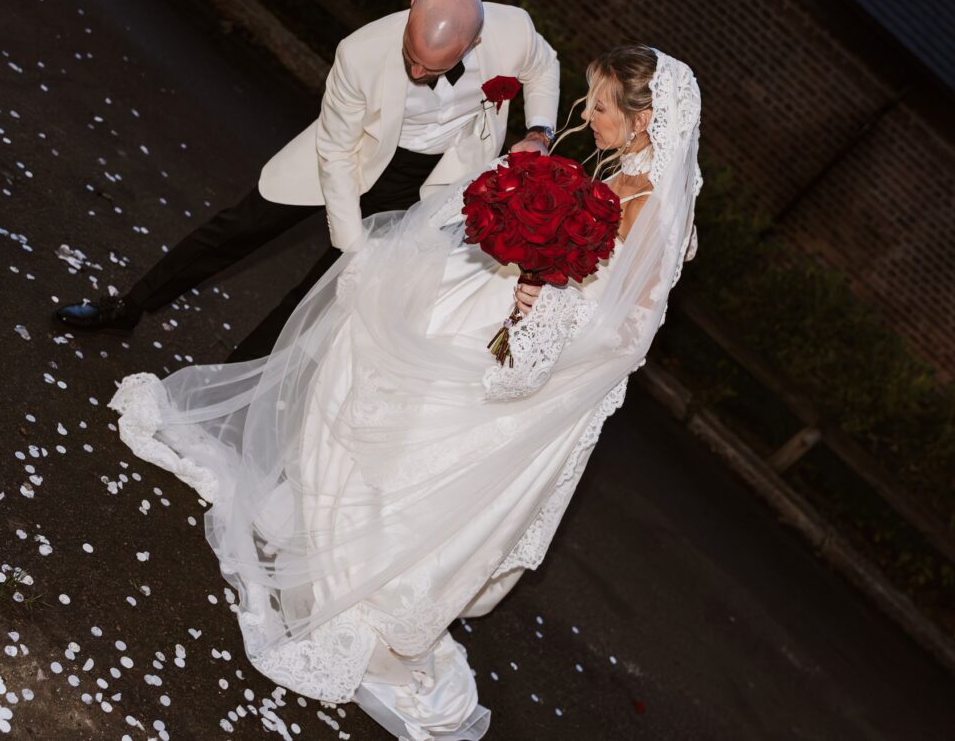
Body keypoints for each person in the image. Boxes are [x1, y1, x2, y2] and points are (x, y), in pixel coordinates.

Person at [109, 46, 700, 739]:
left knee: (423, 429)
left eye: (601, 106)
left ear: (644, 118)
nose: (588, 115)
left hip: (545, 361)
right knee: (376, 345)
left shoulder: (649, 203)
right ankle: (338, 527)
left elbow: (627, 331)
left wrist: (540, 313)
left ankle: (372, 576)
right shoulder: (631, 181)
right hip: (520, 317)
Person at [54, 0, 560, 363]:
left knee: (317, 294)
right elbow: (337, 154)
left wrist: (539, 132)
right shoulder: (359, 53)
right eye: (411, 58)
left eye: (431, 68)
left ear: (472, 44)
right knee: (236, 229)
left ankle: (231, 384)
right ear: (409, 10)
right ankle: (128, 308)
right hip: (349, 156)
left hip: (427, 179)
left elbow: (544, 65)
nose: (416, 74)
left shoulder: (512, 31)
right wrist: (354, 246)